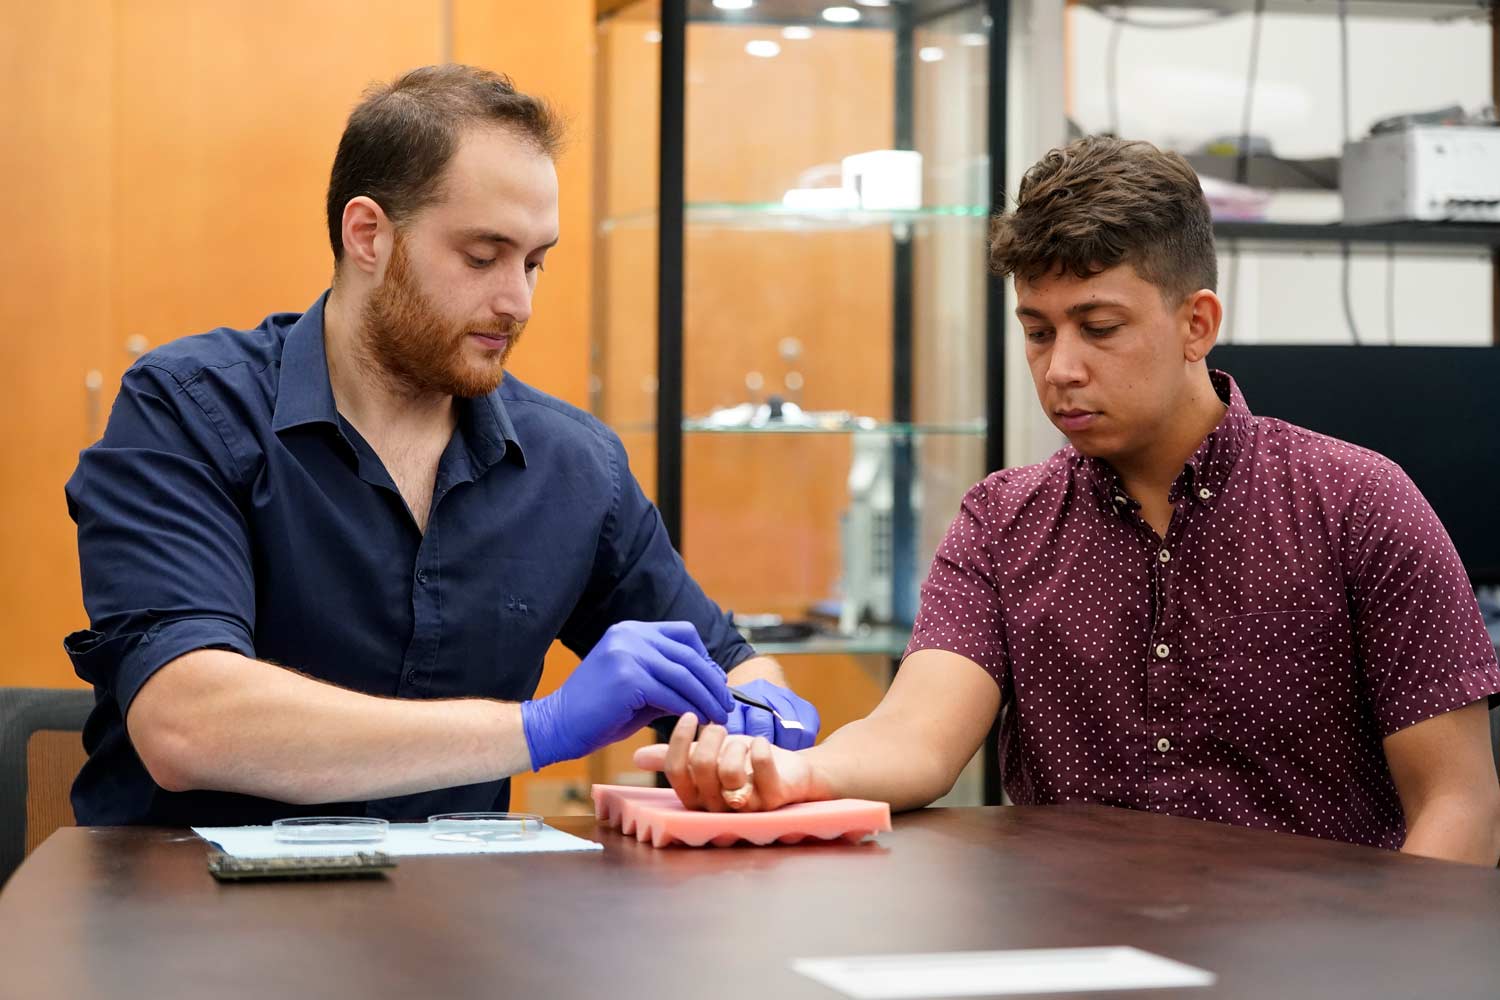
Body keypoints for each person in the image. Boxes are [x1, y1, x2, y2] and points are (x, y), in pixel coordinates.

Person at [640, 136, 1500, 866]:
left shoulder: (1358, 504)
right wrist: (790, 774)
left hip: (1312, 967)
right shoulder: (1000, 522)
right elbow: (917, 736)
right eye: (1038, 330)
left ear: (1196, 323)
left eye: (1099, 327)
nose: (1060, 369)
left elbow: (1460, 806)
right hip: (1068, 952)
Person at [64, 65, 818, 827]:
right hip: (192, 918)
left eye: (534, 262)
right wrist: (540, 729)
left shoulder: (574, 467)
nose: (517, 303)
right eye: (482, 257)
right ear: (369, 236)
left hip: (451, 922)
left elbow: (735, 666)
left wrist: (752, 719)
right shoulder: (189, 409)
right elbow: (188, 722)